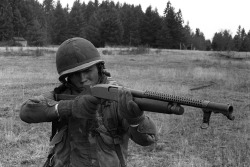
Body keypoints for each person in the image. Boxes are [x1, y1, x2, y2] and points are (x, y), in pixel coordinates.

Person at [20, 37, 158, 167]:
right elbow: (26, 111)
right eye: (75, 74)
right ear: (66, 77)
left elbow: (147, 140)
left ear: (99, 68)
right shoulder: (62, 94)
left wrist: (136, 119)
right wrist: (70, 107)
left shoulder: (117, 96)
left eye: (87, 70)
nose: (82, 78)